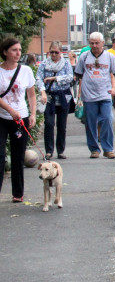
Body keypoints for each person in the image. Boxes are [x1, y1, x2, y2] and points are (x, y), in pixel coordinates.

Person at [74, 32, 115, 159]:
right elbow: (79, 75)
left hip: (105, 94)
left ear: (102, 43)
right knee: (90, 123)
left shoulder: (109, 57)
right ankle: (94, 149)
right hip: (89, 95)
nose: (95, 46)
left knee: (107, 119)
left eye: (97, 43)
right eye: (92, 43)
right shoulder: (84, 57)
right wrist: (80, 95)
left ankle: (108, 148)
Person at [0, 37, 38, 202]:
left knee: (18, 156)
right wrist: (10, 110)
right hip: (2, 117)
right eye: (14, 50)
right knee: (0, 156)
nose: (18, 53)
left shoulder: (26, 71)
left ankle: (18, 193)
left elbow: (31, 94)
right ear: (5, 52)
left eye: (20, 50)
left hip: (20, 118)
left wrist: (33, 114)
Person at [36, 41, 74, 159]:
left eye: (56, 52)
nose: (53, 54)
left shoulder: (66, 64)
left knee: (62, 125)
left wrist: (55, 78)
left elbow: (70, 77)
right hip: (49, 97)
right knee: (49, 123)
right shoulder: (43, 64)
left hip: (63, 97)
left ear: (61, 52)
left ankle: (61, 150)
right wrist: (42, 91)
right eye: (51, 52)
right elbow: (38, 78)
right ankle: (49, 151)